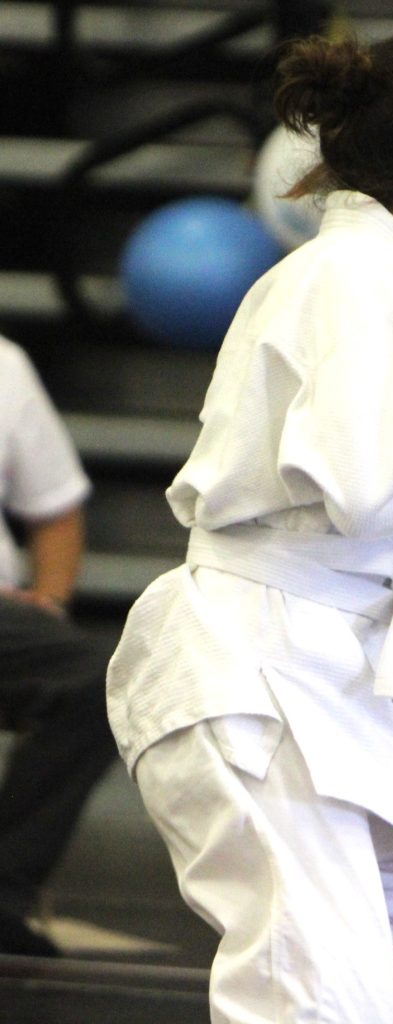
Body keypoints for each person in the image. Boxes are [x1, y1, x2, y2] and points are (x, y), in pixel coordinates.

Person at [106, 34, 393, 1024]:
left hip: (323, 672)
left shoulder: (354, 275)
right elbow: (364, 482)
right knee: (316, 997)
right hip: (254, 669)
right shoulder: (355, 280)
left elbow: (381, 468)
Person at [0, 334, 116, 956]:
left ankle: (3, 889)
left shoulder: (4, 364)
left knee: (95, 681)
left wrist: (48, 601)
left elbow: (56, 510)